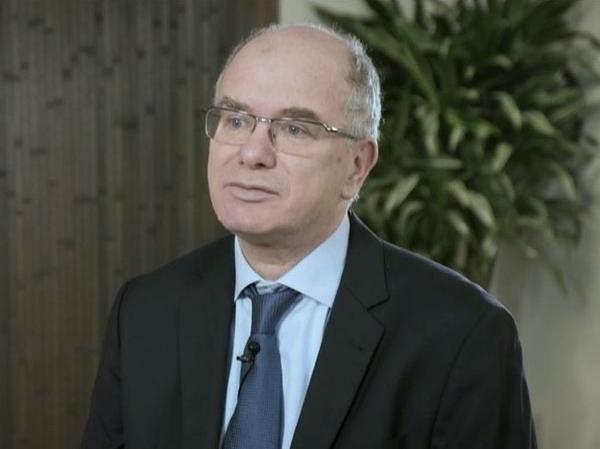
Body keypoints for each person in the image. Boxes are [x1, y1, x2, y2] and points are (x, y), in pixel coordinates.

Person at [81, 23, 537, 449]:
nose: (253, 153)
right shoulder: (145, 312)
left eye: (294, 128)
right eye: (235, 120)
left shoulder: (463, 334)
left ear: (357, 165)